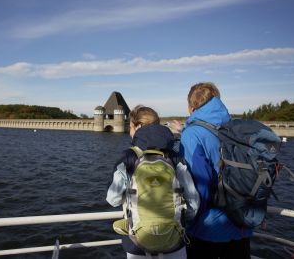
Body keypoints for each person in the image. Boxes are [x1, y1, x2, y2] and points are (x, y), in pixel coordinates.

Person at [106, 105, 198, 259]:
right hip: (175, 242)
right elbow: (194, 203)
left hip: (137, 244)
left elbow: (113, 199)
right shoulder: (174, 157)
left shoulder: (128, 157)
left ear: (138, 127)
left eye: (130, 125)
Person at [174, 82, 252, 259]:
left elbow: (198, 185)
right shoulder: (234, 127)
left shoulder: (192, 134)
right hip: (242, 224)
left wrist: (188, 222)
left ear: (190, 107)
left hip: (209, 229)